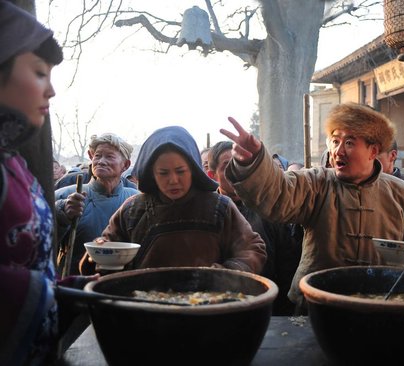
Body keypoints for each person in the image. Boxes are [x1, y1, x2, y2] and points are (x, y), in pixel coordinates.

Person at [220, 102, 404, 311]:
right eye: (335, 141)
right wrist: (254, 160)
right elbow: (278, 192)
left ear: (373, 150)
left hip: (381, 305)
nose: (338, 151)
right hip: (315, 303)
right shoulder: (316, 183)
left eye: (349, 143)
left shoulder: (403, 195)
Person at [0, 2, 97, 364]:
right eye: (40, 73)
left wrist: (83, 291)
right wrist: (43, 295)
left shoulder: (16, 164)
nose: (51, 91)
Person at [80, 126, 266, 275]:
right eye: (163, 173)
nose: (173, 180)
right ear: (151, 174)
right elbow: (103, 252)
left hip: (208, 308)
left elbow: (253, 249)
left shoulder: (219, 206)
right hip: (146, 309)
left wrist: (223, 275)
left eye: (180, 171)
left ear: (193, 169)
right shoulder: (133, 210)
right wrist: (98, 254)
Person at [208, 141, 300, 315]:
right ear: (212, 175)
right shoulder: (209, 212)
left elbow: (287, 263)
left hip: (266, 306)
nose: (235, 171)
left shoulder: (268, 208)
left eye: (239, 163)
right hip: (218, 306)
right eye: (227, 166)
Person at [55, 133, 140, 275]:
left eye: (109, 156)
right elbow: (40, 243)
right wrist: (62, 213)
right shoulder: (66, 196)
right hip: (74, 284)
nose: (101, 161)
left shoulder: (135, 200)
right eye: (98, 155)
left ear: (125, 165)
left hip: (122, 282)